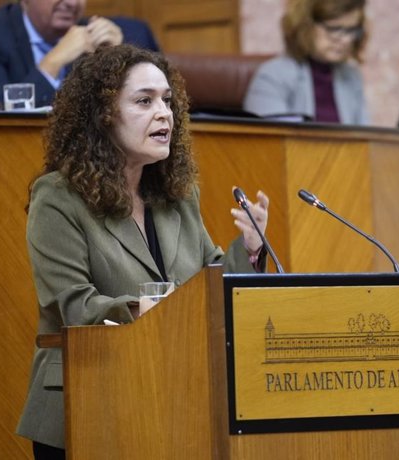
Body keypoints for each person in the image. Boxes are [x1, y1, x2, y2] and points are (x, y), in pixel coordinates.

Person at [16, 44, 270, 459]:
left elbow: (212, 281)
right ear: (103, 115)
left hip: (169, 400)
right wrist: (156, 310)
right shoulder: (58, 198)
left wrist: (251, 249)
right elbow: (74, 306)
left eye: (168, 101)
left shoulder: (177, 195)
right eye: (144, 101)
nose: (164, 114)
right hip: (87, 402)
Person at [0, 0, 159, 107]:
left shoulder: (104, 37)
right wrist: (55, 61)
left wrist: (117, 59)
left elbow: (157, 105)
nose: (71, 2)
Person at [243, 0, 369, 125]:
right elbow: (273, 141)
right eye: (334, 28)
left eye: (352, 30)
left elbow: (365, 139)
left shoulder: (351, 76)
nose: (346, 40)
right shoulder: (272, 76)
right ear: (305, 26)